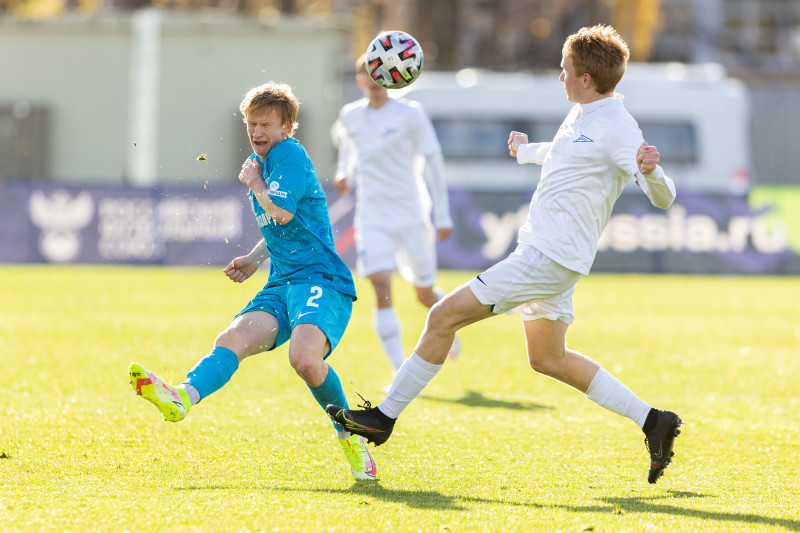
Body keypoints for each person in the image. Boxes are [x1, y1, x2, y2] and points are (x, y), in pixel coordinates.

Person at [327, 25, 682, 484]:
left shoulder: (617, 126)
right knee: (548, 358)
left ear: (587, 79)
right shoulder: (584, 112)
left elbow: (664, 197)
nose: (560, 77)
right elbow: (570, 152)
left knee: (441, 317)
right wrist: (527, 151)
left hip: (547, 258)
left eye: (565, 70)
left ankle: (384, 417)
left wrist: (652, 173)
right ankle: (654, 421)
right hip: (550, 256)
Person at [128, 81, 377, 481]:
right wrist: (253, 258)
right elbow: (283, 226)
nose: (257, 132)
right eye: (251, 124)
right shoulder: (259, 164)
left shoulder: (288, 155)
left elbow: (280, 212)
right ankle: (182, 397)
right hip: (282, 283)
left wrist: (256, 185)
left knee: (305, 360)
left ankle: (351, 434)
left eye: (265, 124)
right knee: (231, 339)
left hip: (320, 278)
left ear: (287, 127)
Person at [332, 54, 459, 381]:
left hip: (411, 212)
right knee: (381, 287)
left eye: (380, 73)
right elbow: (348, 149)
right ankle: (398, 369)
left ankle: (451, 322)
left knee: (424, 293)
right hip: (372, 215)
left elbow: (434, 160)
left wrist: (443, 215)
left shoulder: (411, 113)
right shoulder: (351, 115)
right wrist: (344, 173)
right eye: (368, 73)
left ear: (392, 76)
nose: (374, 79)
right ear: (360, 79)